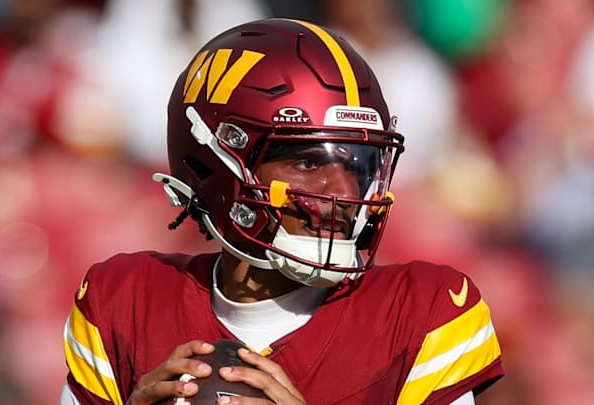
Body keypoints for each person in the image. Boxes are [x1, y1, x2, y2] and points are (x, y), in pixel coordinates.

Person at [60, 18, 503, 404]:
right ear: (217, 162)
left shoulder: (418, 314)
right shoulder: (125, 302)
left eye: (358, 165)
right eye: (308, 162)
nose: (345, 192)